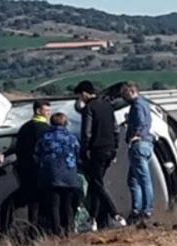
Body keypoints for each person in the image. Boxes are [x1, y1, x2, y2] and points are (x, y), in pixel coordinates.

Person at [74, 80, 126, 231]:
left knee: (97, 184)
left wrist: (84, 151)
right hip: (110, 149)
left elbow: (87, 133)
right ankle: (93, 220)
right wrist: (115, 148)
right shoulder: (107, 106)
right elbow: (115, 129)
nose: (80, 99)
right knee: (96, 185)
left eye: (79, 96)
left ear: (84, 93)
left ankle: (115, 215)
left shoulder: (89, 108)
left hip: (96, 151)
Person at [0, 99, 52, 232]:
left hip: (24, 171)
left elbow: (17, 148)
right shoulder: (45, 129)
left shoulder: (24, 128)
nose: (49, 114)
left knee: (26, 203)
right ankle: (37, 234)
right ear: (38, 111)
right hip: (39, 172)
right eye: (46, 111)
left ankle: (6, 231)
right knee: (38, 204)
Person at [34, 112, 80, 235]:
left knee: (54, 205)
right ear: (65, 123)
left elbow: (37, 155)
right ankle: (69, 229)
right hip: (69, 175)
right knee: (68, 205)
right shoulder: (72, 138)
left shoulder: (45, 138)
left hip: (51, 175)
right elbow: (78, 154)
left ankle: (56, 231)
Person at [121, 82, 155, 227]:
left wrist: (136, 135)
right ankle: (137, 210)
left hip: (139, 144)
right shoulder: (145, 104)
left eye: (125, 94)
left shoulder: (137, 105)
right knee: (133, 180)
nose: (123, 97)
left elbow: (141, 122)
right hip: (147, 144)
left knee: (142, 180)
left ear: (132, 92)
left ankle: (145, 210)